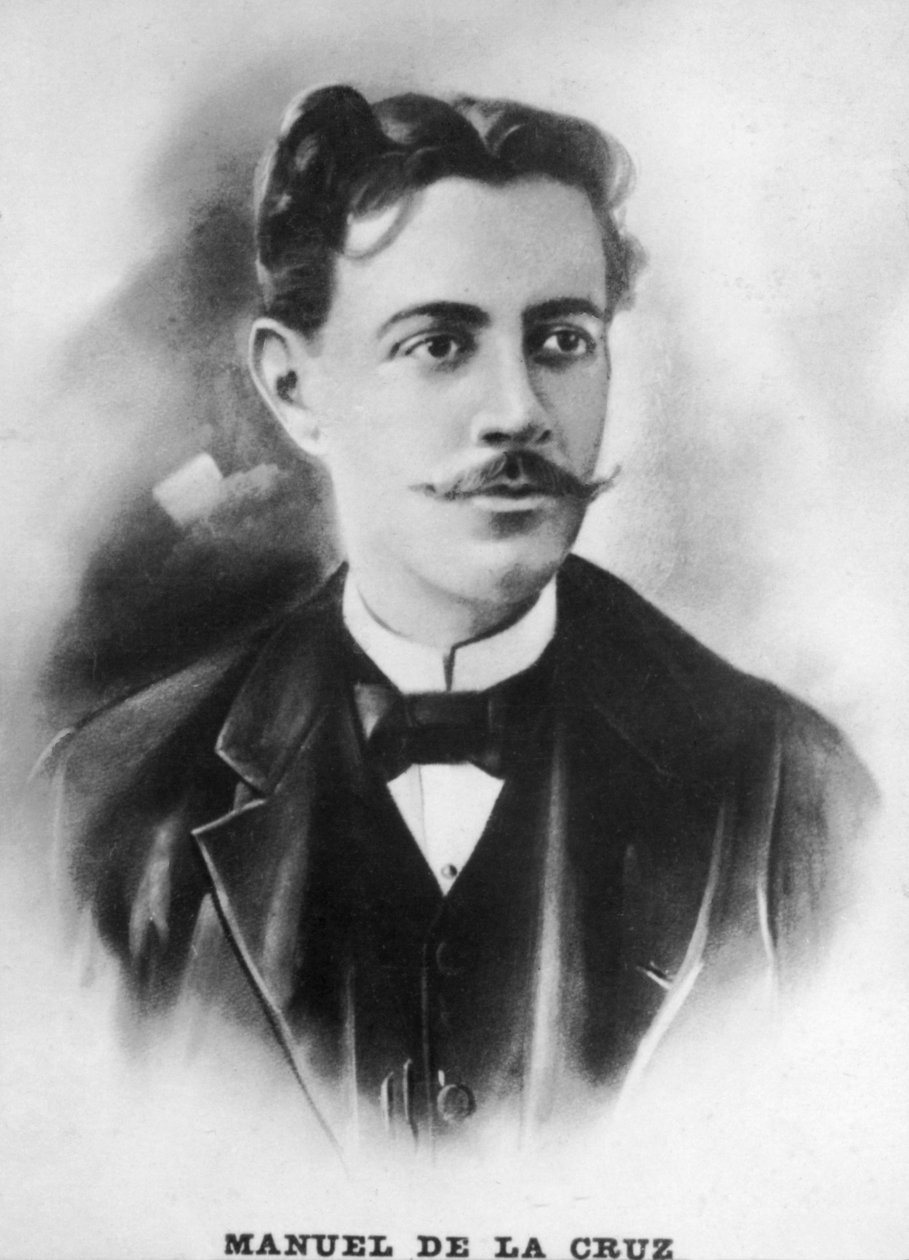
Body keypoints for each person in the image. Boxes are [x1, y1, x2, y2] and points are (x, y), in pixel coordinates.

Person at [54, 85, 875, 1155]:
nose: (519, 411)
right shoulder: (107, 808)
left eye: (562, 340)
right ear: (294, 388)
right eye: (440, 344)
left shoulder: (796, 798)